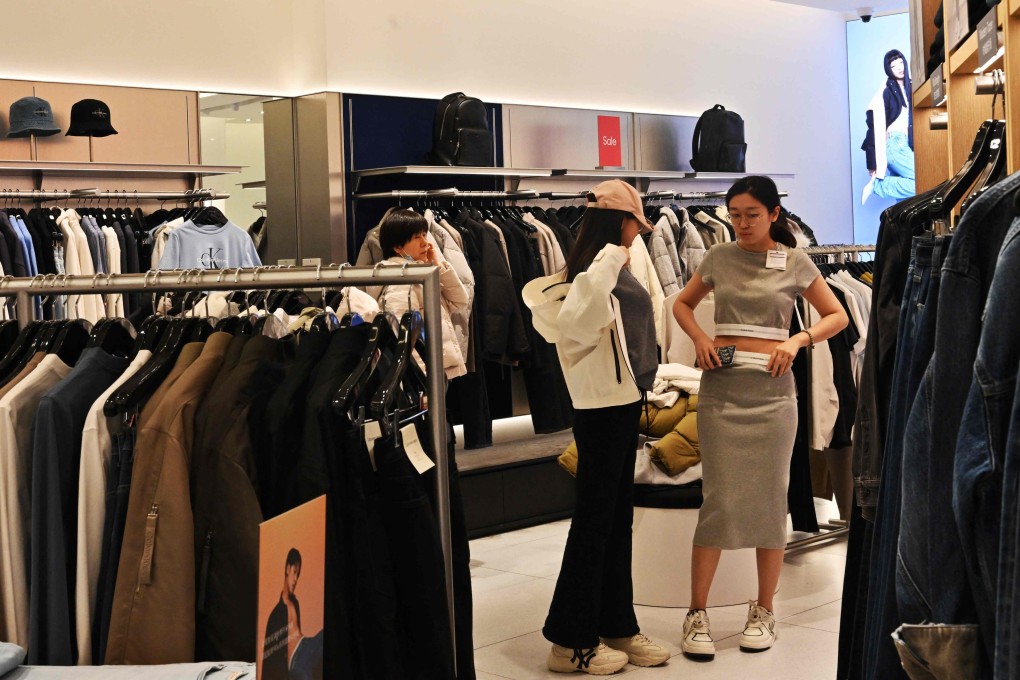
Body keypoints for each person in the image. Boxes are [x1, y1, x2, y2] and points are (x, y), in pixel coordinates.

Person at [672, 176, 848, 657]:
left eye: (751, 214)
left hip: (773, 397)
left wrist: (796, 340)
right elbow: (682, 305)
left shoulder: (794, 260)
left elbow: (837, 316)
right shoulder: (718, 257)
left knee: (772, 500)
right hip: (722, 393)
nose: (741, 222)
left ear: (774, 214)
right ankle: (697, 614)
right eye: (734, 214)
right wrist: (701, 340)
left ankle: (765, 609)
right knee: (719, 501)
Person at [523, 179, 670, 675]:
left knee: (614, 522)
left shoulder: (613, 265)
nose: (637, 233)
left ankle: (616, 624)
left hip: (623, 404)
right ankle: (569, 640)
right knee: (594, 521)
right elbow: (578, 324)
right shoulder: (593, 269)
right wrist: (610, 259)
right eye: (634, 223)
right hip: (600, 408)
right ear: (619, 221)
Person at [371, 209, 470, 380]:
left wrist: (437, 265)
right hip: (425, 375)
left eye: (425, 235)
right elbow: (402, 338)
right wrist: (421, 378)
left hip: (437, 371)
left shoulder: (420, 273)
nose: (425, 242)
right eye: (417, 237)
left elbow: (460, 301)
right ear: (397, 246)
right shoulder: (401, 281)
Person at [862, 49, 915, 203]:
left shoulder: (912, 86)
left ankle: (903, 226)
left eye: (901, 63)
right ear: (888, 70)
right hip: (895, 143)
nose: (899, 67)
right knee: (922, 179)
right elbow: (873, 126)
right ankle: (878, 186)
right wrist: (872, 163)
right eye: (893, 66)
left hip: (908, 144)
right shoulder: (886, 91)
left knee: (906, 200)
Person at [262, 549, 323, 680]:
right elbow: (269, 658)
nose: (295, 580)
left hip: (306, 646)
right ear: (287, 569)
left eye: (298, 574)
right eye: (294, 572)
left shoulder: (295, 603)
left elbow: (297, 632)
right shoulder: (276, 615)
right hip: (296, 662)